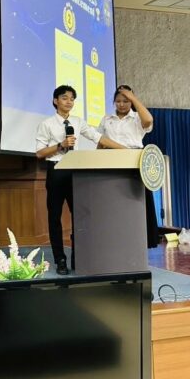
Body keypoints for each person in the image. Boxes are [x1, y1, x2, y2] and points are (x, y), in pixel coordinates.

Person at [35, 84, 126, 275]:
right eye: (64, 98)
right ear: (55, 101)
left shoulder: (77, 121)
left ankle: (79, 257)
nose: (69, 102)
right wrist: (60, 145)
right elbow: (40, 153)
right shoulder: (47, 124)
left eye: (72, 99)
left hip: (74, 169)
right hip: (56, 169)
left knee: (79, 216)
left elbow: (98, 137)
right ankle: (60, 259)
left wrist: (125, 150)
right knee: (54, 217)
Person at [98, 85, 159, 249]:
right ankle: (116, 239)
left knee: (136, 200)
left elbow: (149, 121)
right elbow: (100, 142)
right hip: (111, 161)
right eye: (118, 101)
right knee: (114, 201)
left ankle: (141, 240)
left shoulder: (138, 118)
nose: (122, 104)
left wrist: (133, 97)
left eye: (126, 101)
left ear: (132, 101)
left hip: (134, 160)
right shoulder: (106, 119)